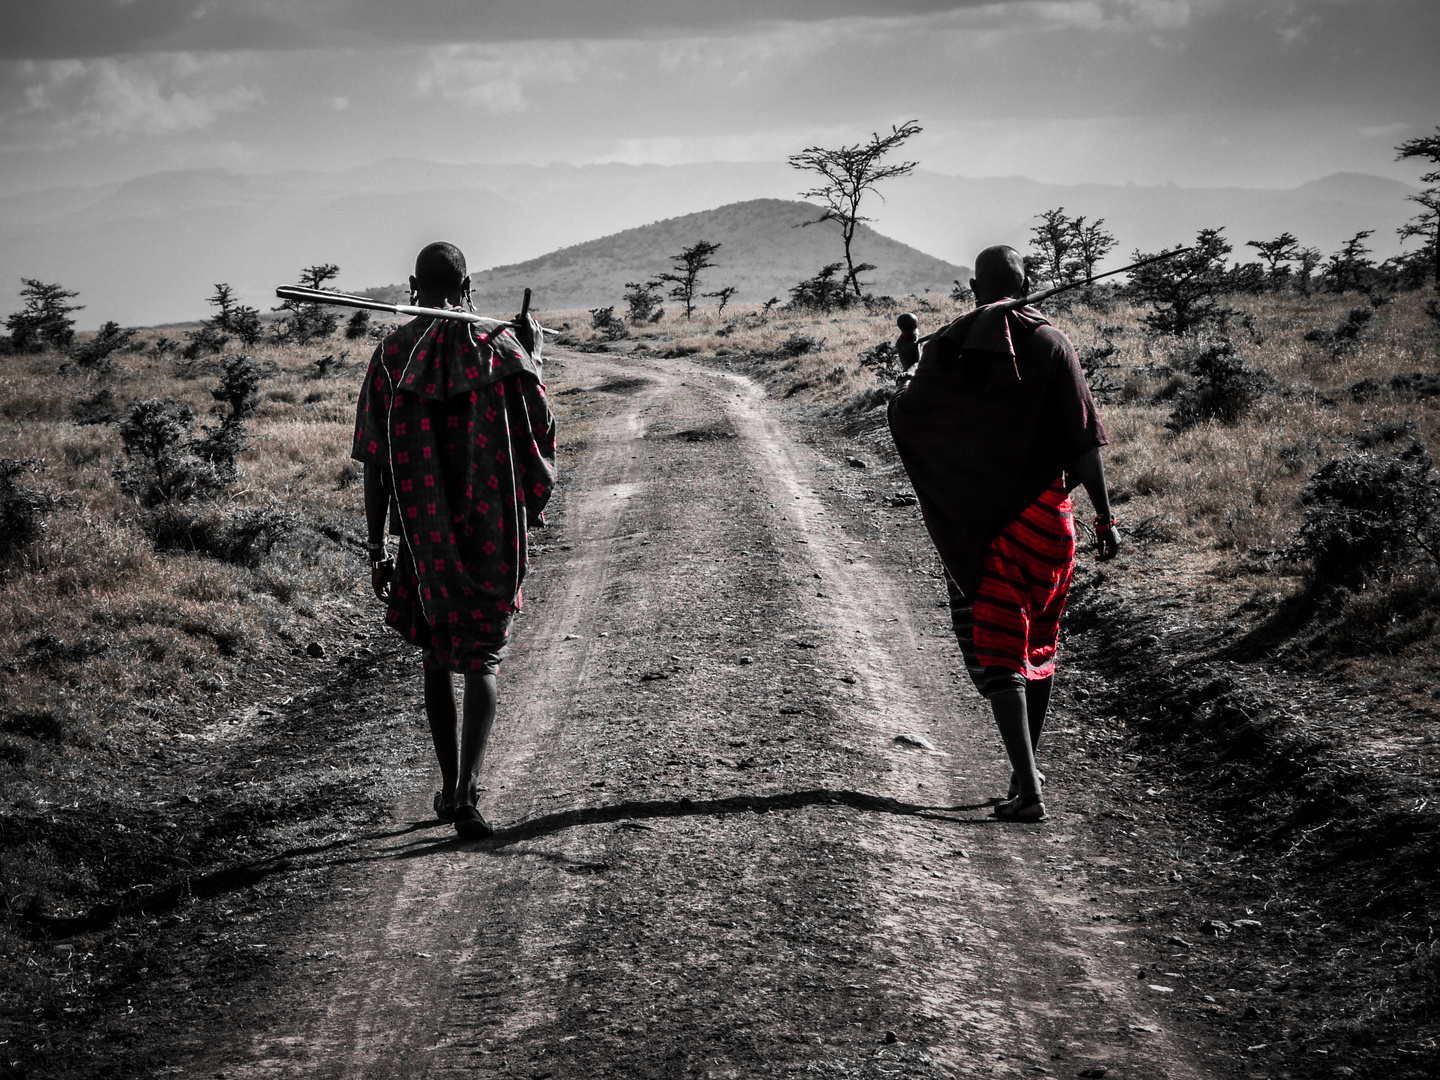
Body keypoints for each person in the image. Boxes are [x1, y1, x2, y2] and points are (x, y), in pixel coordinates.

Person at [888, 245, 1119, 822]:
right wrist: (1105, 517)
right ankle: (1023, 775)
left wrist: (910, 369)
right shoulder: (1052, 344)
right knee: (1039, 644)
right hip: (1051, 524)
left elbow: (909, 414)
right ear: (1028, 281)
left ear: (973, 286)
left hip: (986, 527)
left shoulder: (950, 346)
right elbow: (1084, 443)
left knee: (999, 653)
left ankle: (1030, 790)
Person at [352, 242, 556, 838]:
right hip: (492, 527)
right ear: (467, 288)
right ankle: (467, 790)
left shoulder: (392, 356)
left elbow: (375, 460)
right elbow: (541, 429)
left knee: (438, 655)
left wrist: (377, 545)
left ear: (415, 287)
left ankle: (448, 786)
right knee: (483, 658)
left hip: (424, 534)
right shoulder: (500, 348)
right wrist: (533, 355)